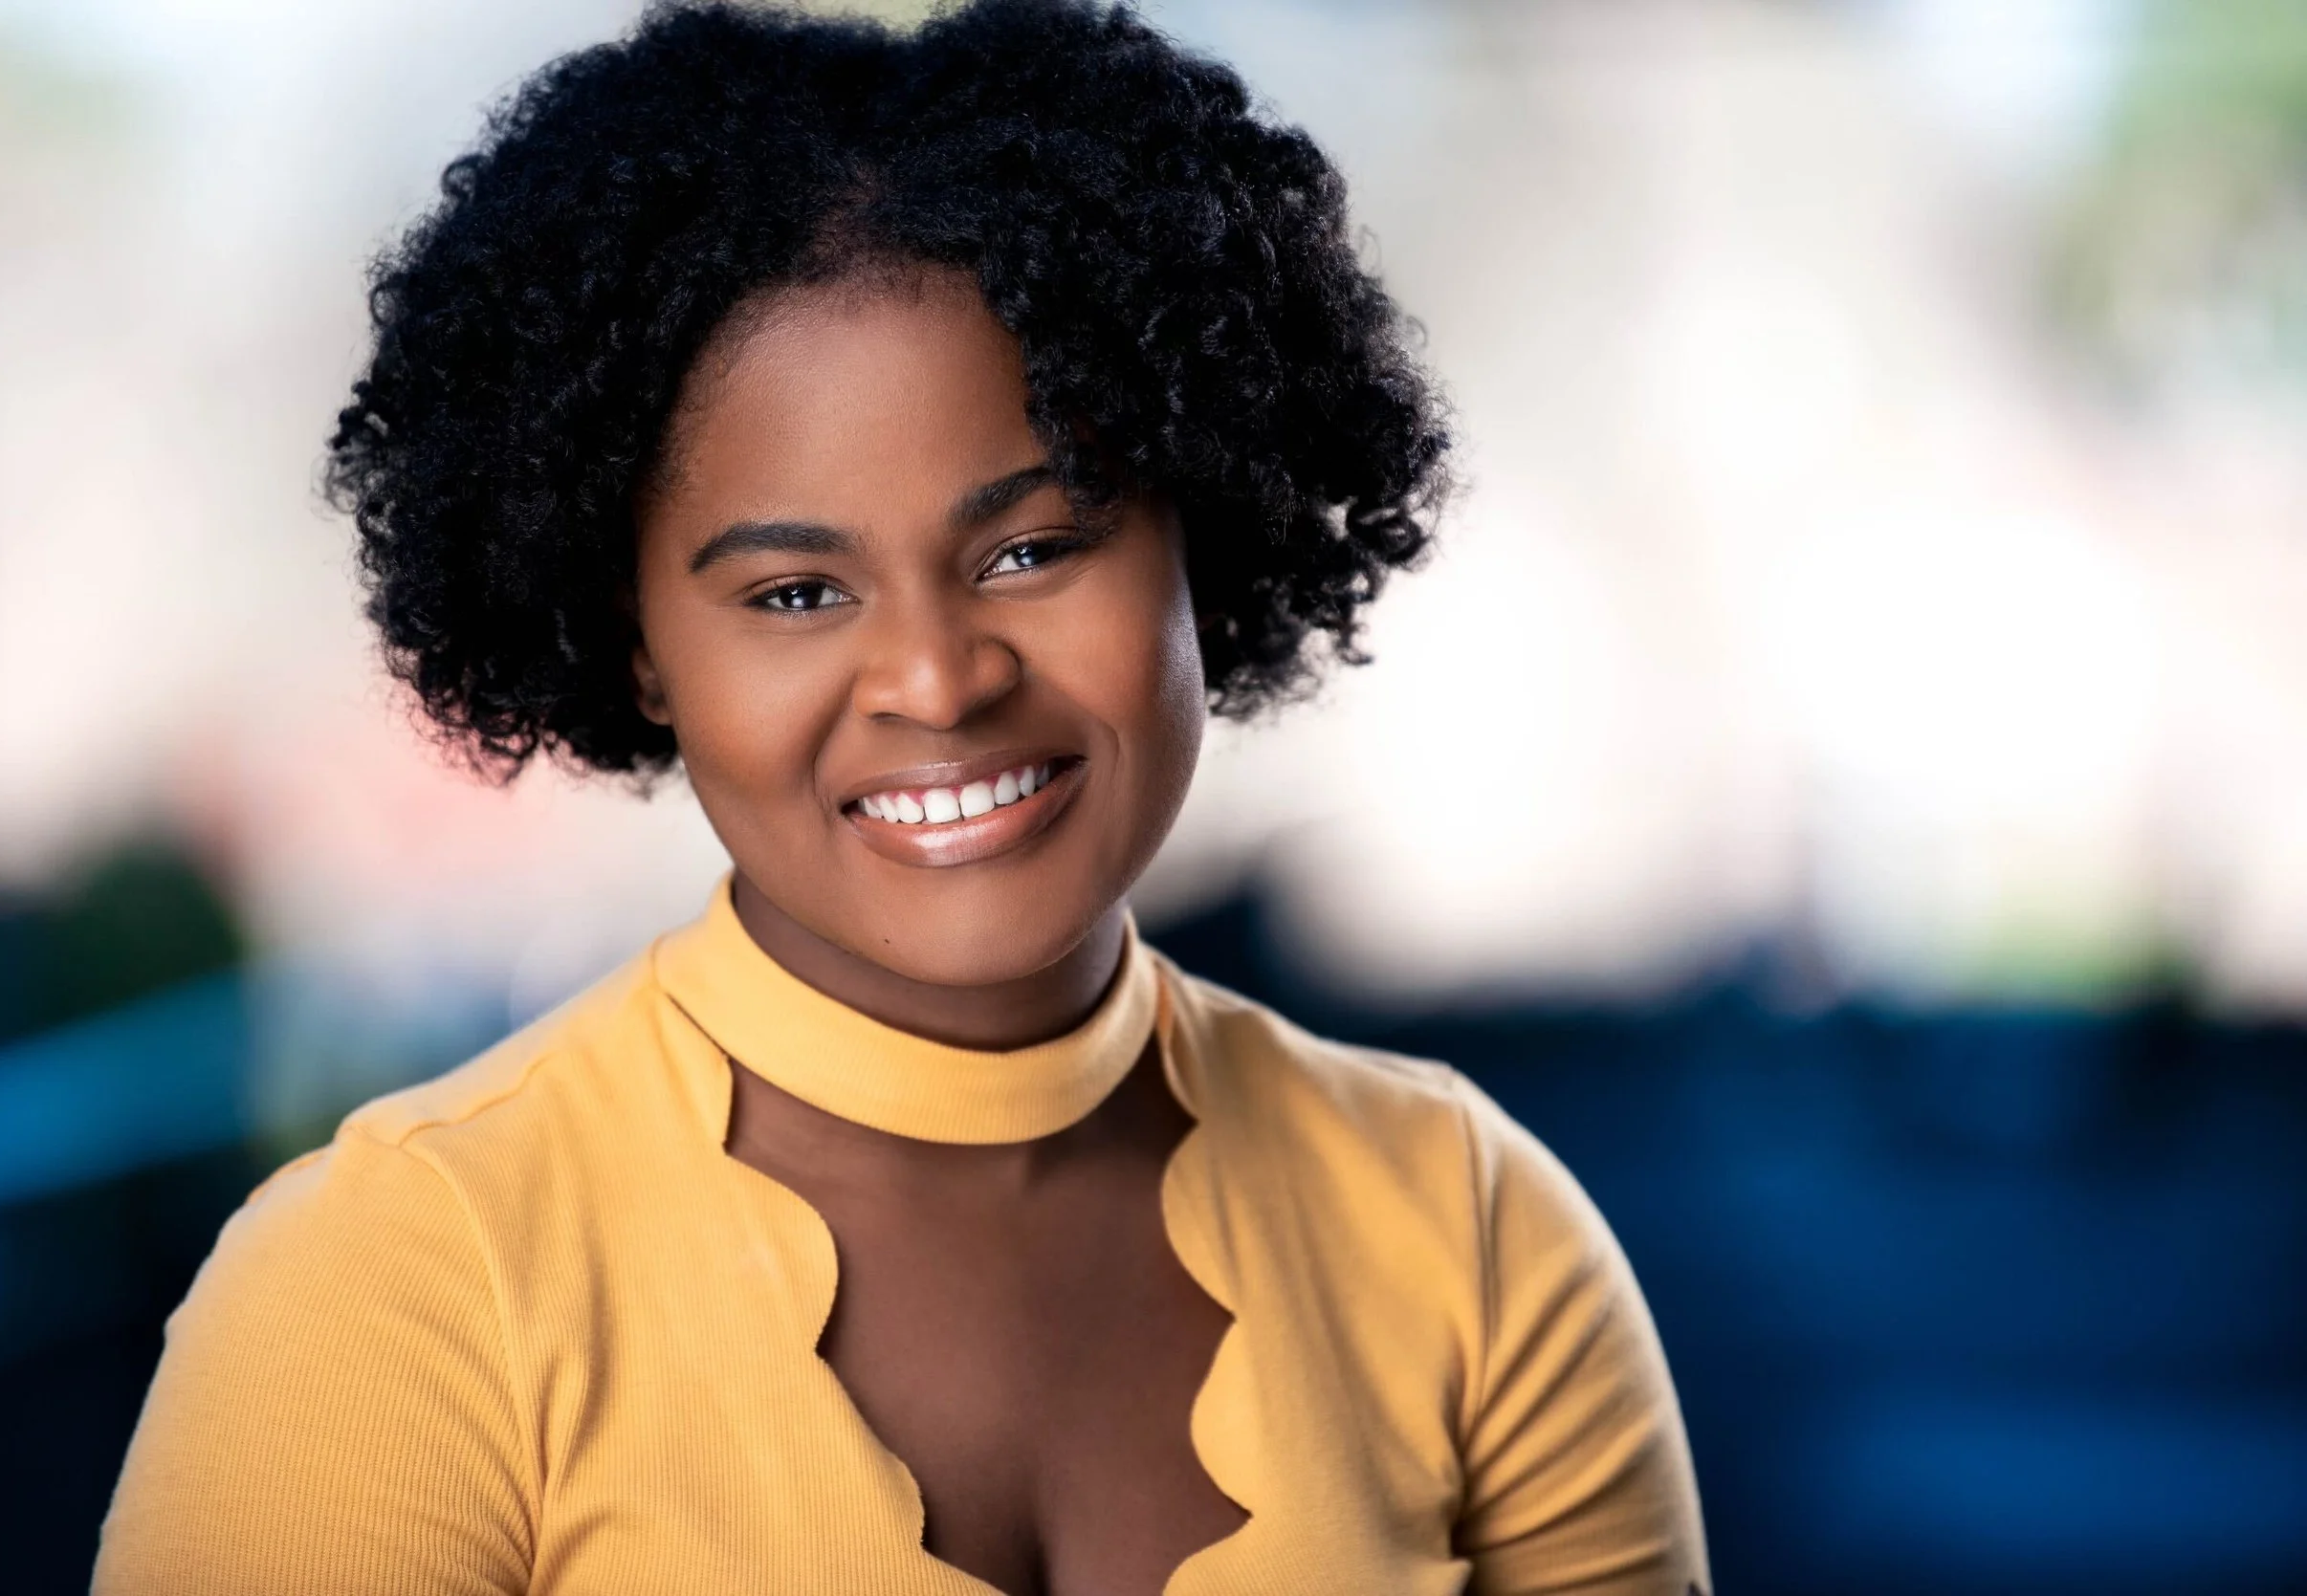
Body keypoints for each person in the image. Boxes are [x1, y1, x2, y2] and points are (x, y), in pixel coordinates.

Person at [95, 3, 1708, 1591]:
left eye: (1033, 549)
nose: (937, 680)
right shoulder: (396, 1291)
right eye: (795, 593)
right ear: (640, 647)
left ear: (1196, 536)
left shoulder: (1477, 1238)